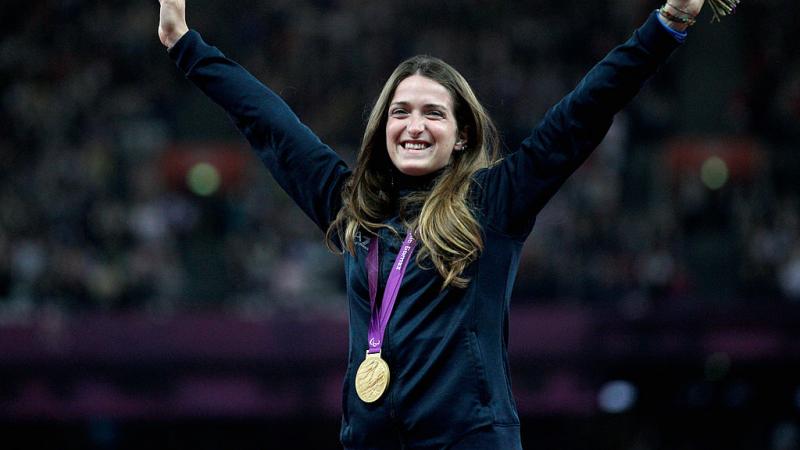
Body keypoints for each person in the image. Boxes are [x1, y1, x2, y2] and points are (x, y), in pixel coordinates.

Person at [157, 0, 707, 448]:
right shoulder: (353, 207)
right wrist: (185, 44)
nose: (413, 126)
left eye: (433, 113)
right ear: (382, 128)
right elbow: (269, 123)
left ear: (461, 134)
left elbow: (581, 115)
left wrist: (668, 23)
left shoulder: (494, 202)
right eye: (400, 112)